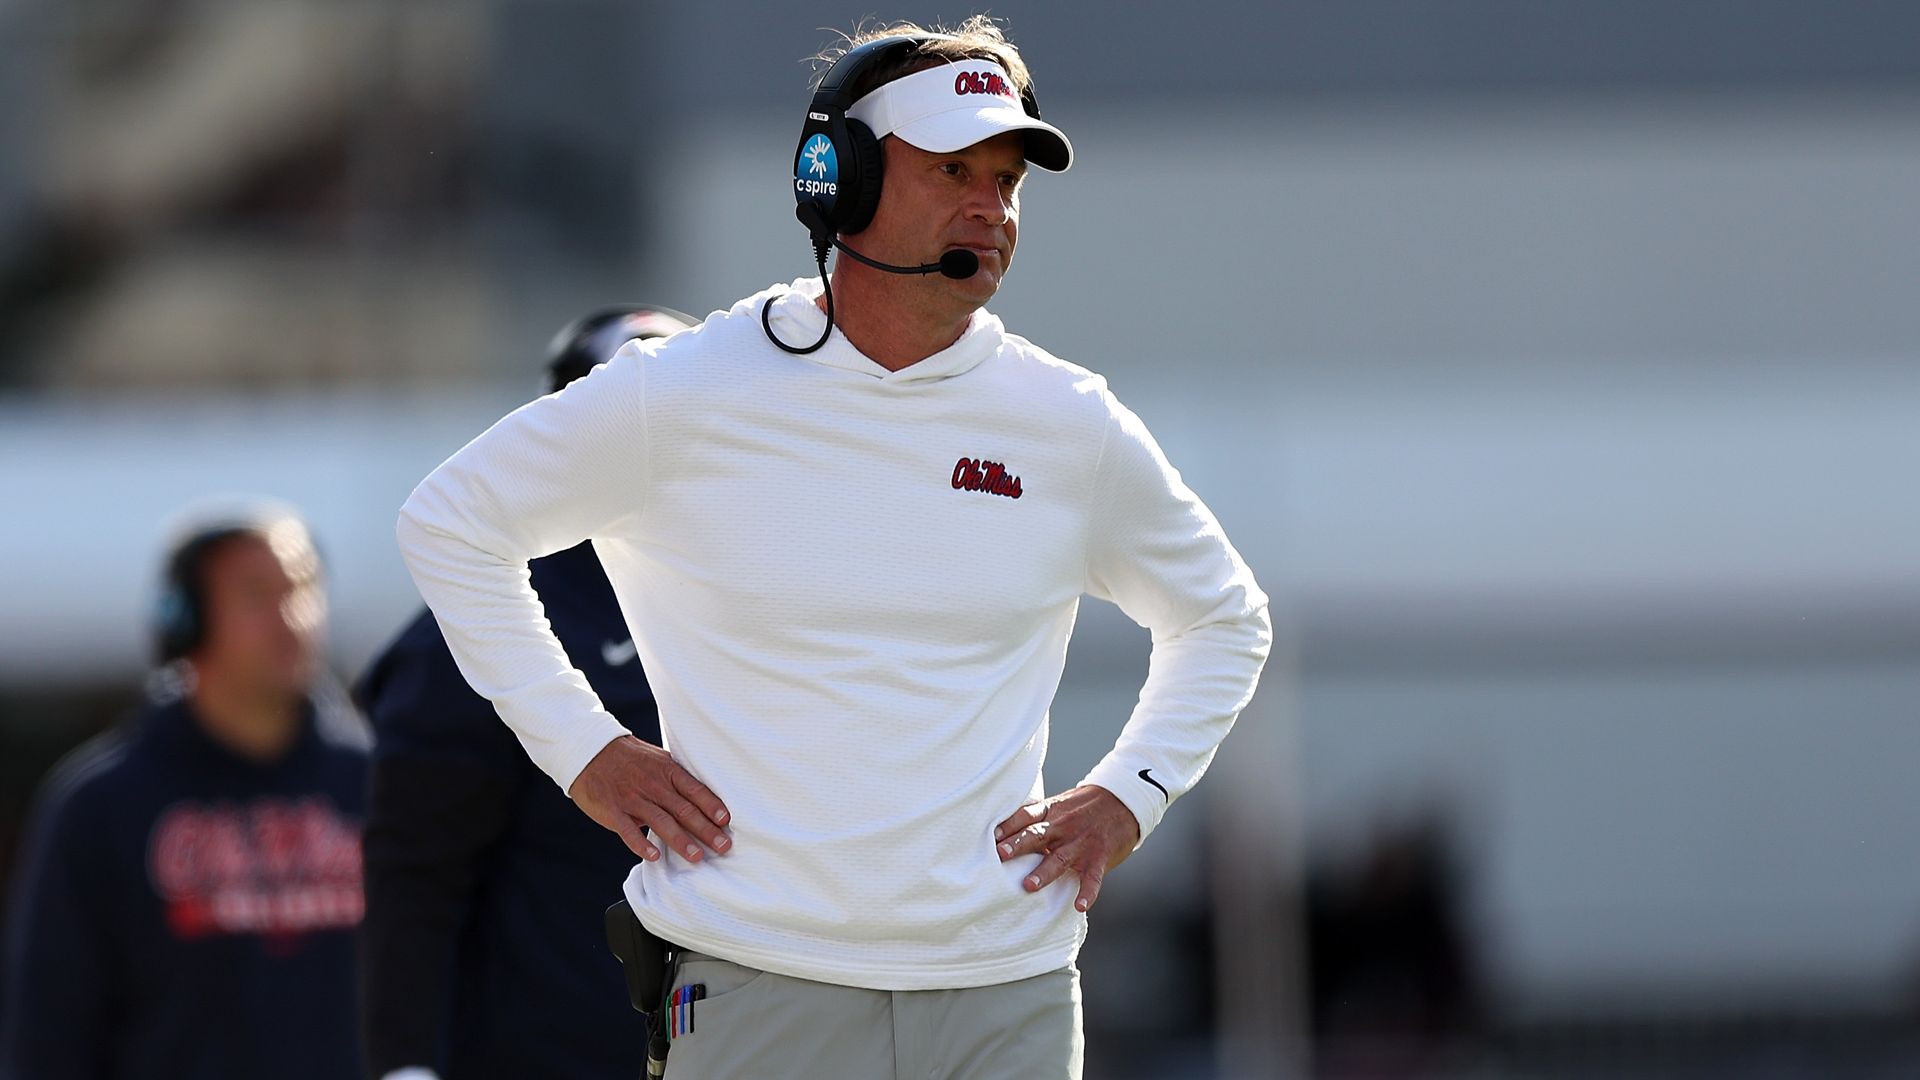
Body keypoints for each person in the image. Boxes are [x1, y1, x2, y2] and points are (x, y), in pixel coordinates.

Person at [394, 17, 1271, 1079]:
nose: (989, 206)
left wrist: (1131, 794)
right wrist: (586, 752)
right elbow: (450, 522)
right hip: (756, 982)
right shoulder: (688, 391)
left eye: (1007, 180)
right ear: (838, 178)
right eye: (954, 169)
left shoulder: (1067, 420)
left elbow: (1224, 616)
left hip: (1009, 990)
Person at [356, 305, 696, 1080]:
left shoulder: (745, 584)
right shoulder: (493, 613)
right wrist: (404, 1065)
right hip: (550, 1047)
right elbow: (415, 872)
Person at [0, 500, 367, 1080]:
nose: (291, 617)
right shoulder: (99, 806)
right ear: (185, 620)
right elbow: (48, 1030)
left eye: (302, 588)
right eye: (255, 593)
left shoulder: (378, 787)